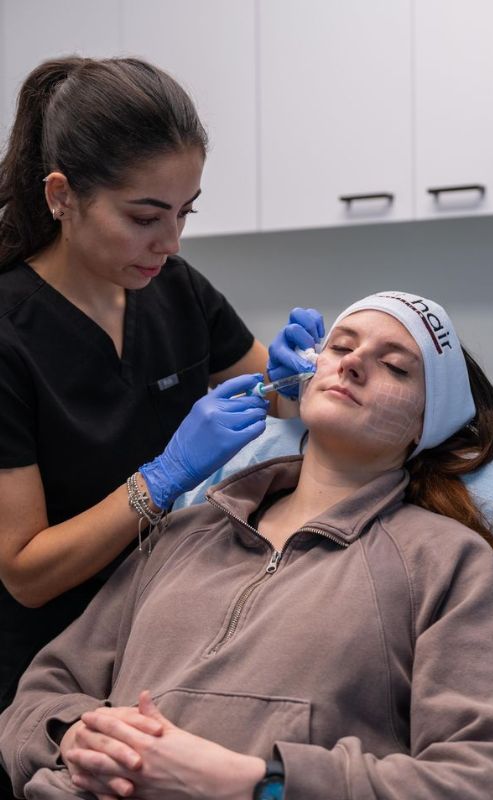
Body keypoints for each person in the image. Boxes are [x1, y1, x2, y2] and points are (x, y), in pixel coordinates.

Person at [0, 291, 493, 800]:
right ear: (304, 376)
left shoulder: (444, 560)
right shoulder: (184, 534)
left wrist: (256, 782)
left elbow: (489, 772)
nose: (352, 363)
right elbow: (42, 693)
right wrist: (71, 736)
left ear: (426, 425)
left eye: (396, 366)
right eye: (340, 345)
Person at [0, 55, 324, 718]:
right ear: (62, 197)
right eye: (145, 217)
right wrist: (162, 479)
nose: (170, 243)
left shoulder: (174, 289)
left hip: (158, 648)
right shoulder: (10, 335)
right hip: (43, 674)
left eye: (184, 213)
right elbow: (25, 573)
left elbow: (274, 392)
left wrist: (301, 376)